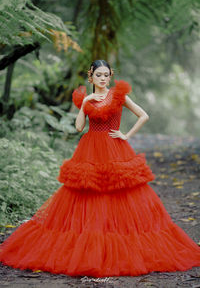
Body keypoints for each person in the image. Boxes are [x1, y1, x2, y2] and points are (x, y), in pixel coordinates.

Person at [0, 59, 200, 278]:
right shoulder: (86, 98)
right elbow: (78, 127)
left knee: (119, 193)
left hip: (115, 148)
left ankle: (121, 248)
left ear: (110, 76)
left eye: (106, 75)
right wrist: (86, 101)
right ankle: (89, 246)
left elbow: (144, 115)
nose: (103, 79)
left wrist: (126, 135)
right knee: (88, 193)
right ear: (91, 76)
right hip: (90, 149)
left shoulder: (119, 95)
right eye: (99, 75)